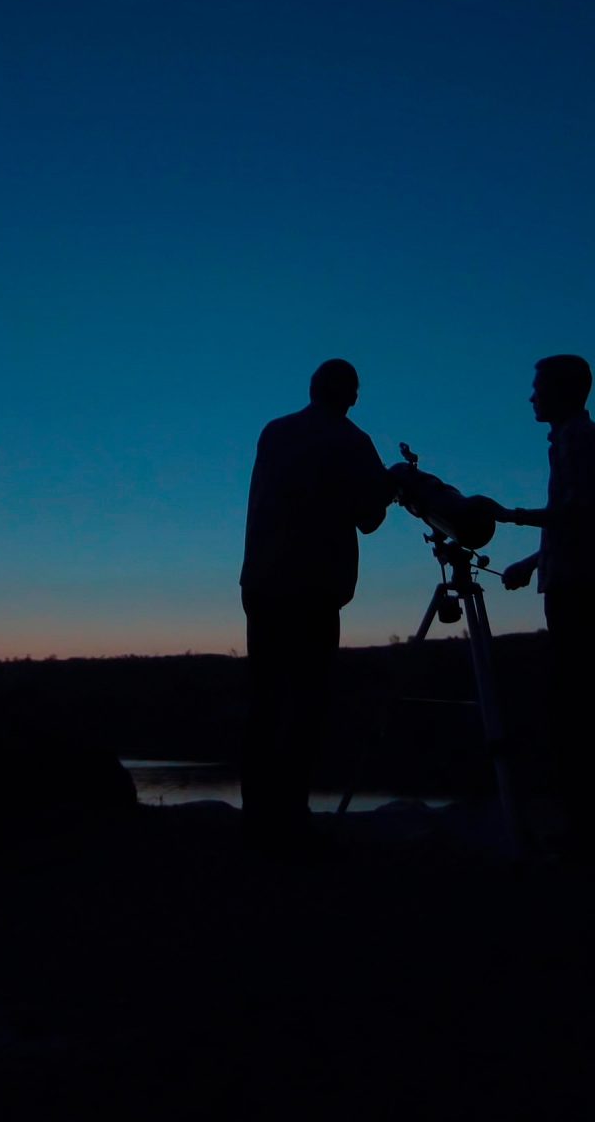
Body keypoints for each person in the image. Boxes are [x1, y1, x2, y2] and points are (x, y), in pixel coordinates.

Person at [239, 358, 404, 856]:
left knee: (265, 702)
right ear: (352, 396)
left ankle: (258, 817)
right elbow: (368, 519)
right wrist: (390, 487)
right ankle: (291, 817)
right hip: (314, 590)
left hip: (264, 583)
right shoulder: (353, 443)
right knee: (306, 704)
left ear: (312, 389)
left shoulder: (275, 432)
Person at [492, 354, 595, 862]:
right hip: (583, 580)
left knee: (578, 710)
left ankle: (591, 831)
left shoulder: (576, 441)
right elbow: (582, 520)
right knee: (584, 704)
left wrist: (511, 516)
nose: (532, 397)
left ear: (562, 391)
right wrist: (533, 562)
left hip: (581, 587)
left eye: (538, 387)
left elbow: (575, 513)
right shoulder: (581, 440)